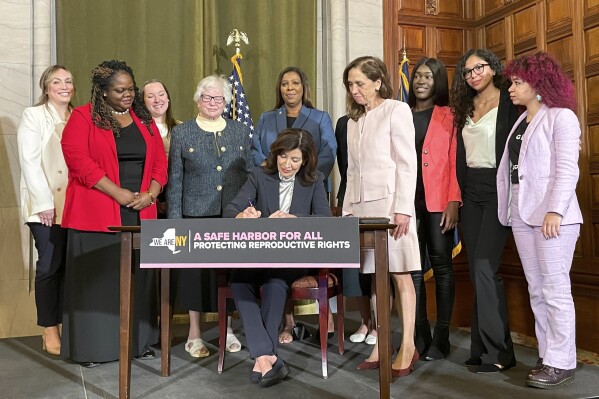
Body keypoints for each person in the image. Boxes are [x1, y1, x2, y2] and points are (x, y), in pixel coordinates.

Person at [60, 60, 167, 366]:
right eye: (120, 90)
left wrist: (152, 193)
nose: (128, 94)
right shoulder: (82, 117)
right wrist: (117, 192)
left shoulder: (144, 120)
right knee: (99, 283)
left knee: (138, 281)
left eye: (131, 89)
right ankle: (94, 349)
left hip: (141, 210)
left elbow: (160, 161)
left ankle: (138, 343)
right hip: (98, 211)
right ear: (103, 92)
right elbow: (79, 161)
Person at [498, 52, 582, 389]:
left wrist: (555, 210)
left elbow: (567, 169)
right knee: (537, 288)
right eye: (511, 83)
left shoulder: (561, 117)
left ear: (539, 83)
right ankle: (549, 355)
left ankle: (562, 361)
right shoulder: (521, 122)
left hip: (552, 216)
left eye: (518, 82)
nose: (511, 88)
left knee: (555, 289)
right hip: (521, 212)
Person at [223, 128, 332, 387]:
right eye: (283, 157)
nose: (287, 164)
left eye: (294, 159)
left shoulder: (314, 180)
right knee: (238, 280)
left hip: (294, 256)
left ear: (304, 160)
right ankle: (267, 357)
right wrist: (242, 215)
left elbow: (325, 219)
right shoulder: (260, 175)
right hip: (259, 253)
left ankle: (262, 355)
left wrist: (295, 219)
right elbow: (231, 208)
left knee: (275, 282)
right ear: (276, 155)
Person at [342, 56, 421, 377]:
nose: (354, 89)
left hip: (391, 207)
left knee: (400, 274)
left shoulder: (396, 110)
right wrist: (348, 211)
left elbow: (406, 162)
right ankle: (381, 343)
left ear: (377, 81)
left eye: (360, 83)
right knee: (376, 278)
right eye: (350, 84)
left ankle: (409, 345)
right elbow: (352, 171)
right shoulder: (353, 121)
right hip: (362, 210)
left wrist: (403, 208)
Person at [167, 74, 253, 358]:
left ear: (227, 101)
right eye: (207, 98)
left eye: (219, 98)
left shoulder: (240, 131)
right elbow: (175, 181)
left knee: (228, 275)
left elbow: (249, 175)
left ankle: (226, 329)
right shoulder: (182, 133)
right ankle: (194, 333)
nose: (213, 103)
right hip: (195, 216)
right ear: (198, 100)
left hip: (232, 216)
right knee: (195, 276)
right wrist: (175, 224)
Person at [251, 66, 337, 343]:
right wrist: (274, 173)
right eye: (285, 83)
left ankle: (304, 321)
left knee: (296, 254)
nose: (290, 88)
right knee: (275, 257)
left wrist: (304, 175)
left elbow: (328, 152)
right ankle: (285, 323)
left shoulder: (320, 118)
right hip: (272, 197)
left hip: (306, 195)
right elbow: (256, 151)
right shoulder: (266, 118)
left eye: (295, 83)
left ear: (303, 87)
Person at [450, 48, 519, 373]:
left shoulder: (510, 102)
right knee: (480, 273)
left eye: (478, 67)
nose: (473, 74)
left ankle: (499, 353)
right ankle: (482, 348)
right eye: (467, 71)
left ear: (492, 68)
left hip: (498, 189)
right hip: (471, 193)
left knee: (484, 267)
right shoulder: (464, 107)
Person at [17, 65, 74, 356]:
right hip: (46, 208)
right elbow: (29, 161)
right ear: (46, 87)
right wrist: (44, 203)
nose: (64, 86)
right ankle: (49, 329)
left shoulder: (79, 116)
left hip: (74, 207)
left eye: (68, 81)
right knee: (50, 266)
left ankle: (67, 323)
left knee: (70, 267)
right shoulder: (34, 115)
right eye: (57, 81)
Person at [407, 57, 461, 360]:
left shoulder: (449, 115)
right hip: (407, 202)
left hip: (439, 201)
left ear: (437, 81)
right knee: (413, 268)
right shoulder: (402, 113)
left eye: (428, 76)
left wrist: (454, 200)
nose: (421, 81)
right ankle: (420, 332)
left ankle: (442, 335)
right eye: (417, 76)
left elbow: (455, 160)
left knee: (441, 265)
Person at [336, 114, 375, 345]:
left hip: (376, 197)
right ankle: (364, 320)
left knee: (375, 266)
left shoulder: (383, 116)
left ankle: (378, 326)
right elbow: (344, 162)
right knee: (354, 265)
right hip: (350, 194)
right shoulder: (344, 122)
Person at [142, 79, 179, 216]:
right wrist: (154, 199)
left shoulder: (182, 129)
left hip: (175, 198)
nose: (157, 100)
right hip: (147, 196)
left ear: (168, 98)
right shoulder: (137, 131)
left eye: (161, 94)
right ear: (143, 102)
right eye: (151, 96)